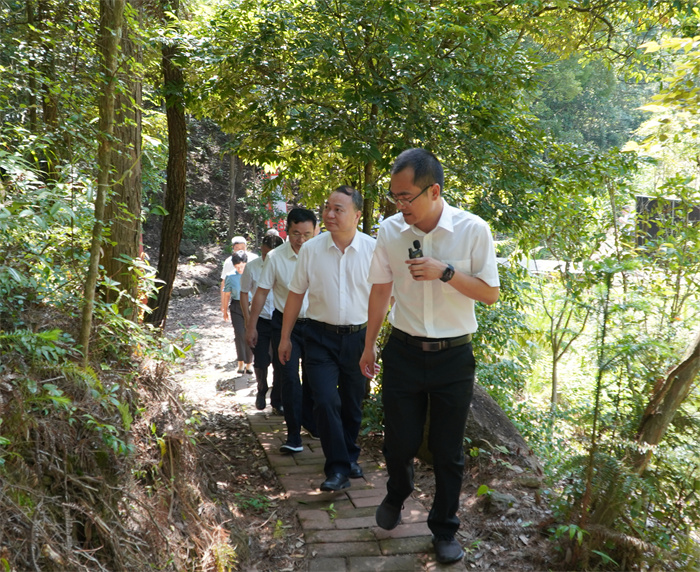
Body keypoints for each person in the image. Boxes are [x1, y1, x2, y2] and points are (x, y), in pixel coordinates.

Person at [359, 148, 500, 564]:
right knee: (399, 442)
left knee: (447, 449)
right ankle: (398, 492)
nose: (399, 207)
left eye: (406, 198)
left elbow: (490, 293)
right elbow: (381, 291)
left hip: (453, 357)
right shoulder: (390, 231)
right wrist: (368, 344)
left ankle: (444, 528)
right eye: (394, 198)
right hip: (402, 349)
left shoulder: (473, 230)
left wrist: (446, 272)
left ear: (434, 190)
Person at [279, 186, 375, 492]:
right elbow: (295, 295)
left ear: (357, 216)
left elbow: (386, 298)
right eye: (327, 208)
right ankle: (337, 468)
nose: (330, 214)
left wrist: (372, 341)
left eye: (338, 209)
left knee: (352, 402)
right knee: (324, 399)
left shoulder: (374, 250)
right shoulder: (311, 250)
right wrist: (284, 338)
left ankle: (349, 455)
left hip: (358, 338)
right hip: (318, 337)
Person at [246, 208, 318, 454]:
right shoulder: (276, 257)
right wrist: (252, 325)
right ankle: (294, 435)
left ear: (316, 231)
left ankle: (311, 422)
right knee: (288, 377)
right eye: (296, 233)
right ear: (287, 231)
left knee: (313, 377)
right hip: (284, 325)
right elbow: (262, 292)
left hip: (317, 325)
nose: (301, 240)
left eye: (307, 234)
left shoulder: (322, 255)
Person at [240, 230, 285, 412]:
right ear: (261, 250)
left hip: (281, 319)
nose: (269, 258)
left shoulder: (287, 266)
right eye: (266, 254)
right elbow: (243, 293)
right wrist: (248, 320)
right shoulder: (252, 267)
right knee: (260, 359)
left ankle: (277, 400)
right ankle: (261, 388)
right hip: (260, 319)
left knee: (281, 362)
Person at [222, 251, 253, 374]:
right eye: (237, 267)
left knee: (249, 334)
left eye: (242, 266)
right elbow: (227, 293)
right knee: (239, 334)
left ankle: (249, 363)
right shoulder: (230, 276)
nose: (240, 269)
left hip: (250, 307)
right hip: (236, 307)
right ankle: (241, 362)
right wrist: (224, 310)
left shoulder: (251, 274)